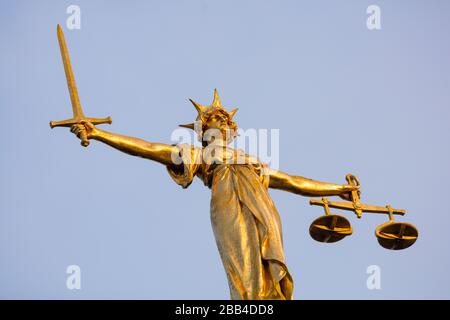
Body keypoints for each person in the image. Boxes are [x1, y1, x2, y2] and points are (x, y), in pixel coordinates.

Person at [70, 89, 358, 300]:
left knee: (265, 260)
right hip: (228, 206)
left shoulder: (251, 161)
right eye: (211, 121)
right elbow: (149, 148)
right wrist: (100, 135)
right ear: (202, 130)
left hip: (263, 208)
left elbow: (293, 182)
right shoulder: (200, 155)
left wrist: (338, 189)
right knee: (243, 265)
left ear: (231, 129)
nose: (219, 123)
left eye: (223, 120)